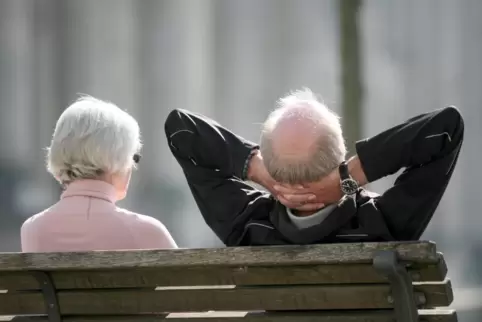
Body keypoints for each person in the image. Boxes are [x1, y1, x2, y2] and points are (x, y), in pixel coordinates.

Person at [165, 88, 464, 246]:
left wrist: (257, 170)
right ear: (340, 154)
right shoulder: (383, 223)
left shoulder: (246, 226)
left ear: (272, 164)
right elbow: (446, 129)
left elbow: (182, 131)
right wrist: (350, 178)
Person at [21, 96, 177, 252]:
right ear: (119, 158)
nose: (133, 166)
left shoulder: (33, 229)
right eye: (134, 157)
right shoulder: (148, 232)